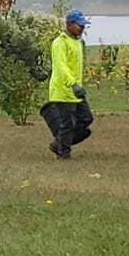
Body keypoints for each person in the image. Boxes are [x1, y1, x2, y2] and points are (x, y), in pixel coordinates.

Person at [43, 9, 94, 159]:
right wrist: (73, 84)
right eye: (79, 25)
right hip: (63, 90)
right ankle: (63, 154)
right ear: (70, 24)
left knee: (87, 118)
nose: (82, 28)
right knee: (68, 123)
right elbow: (61, 67)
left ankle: (59, 143)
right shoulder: (60, 43)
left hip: (76, 91)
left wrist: (78, 85)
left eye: (83, 25)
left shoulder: (77, 42)